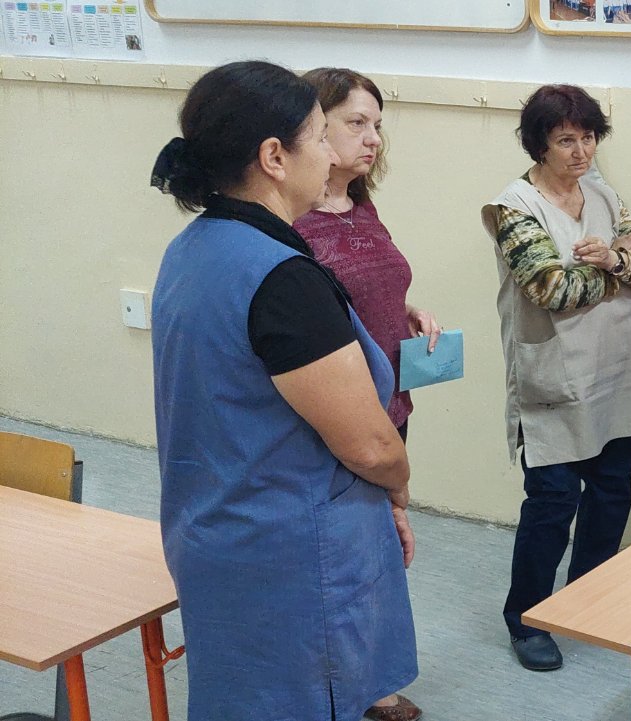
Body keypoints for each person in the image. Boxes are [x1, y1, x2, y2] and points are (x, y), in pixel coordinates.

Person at [149, 60, 418, 721]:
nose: (330, 155)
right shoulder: (283, 280)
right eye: (321, 137)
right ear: (275, 157)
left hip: (213, 530)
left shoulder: (191, 249)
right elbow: (369, 444)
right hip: (291, 553)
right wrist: (399, 482)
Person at [483, 84, 631, 673]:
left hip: (615, 370)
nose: (581, 151)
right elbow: (552, 289)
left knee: (612, 491)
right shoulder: (513, 207)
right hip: (553, 378)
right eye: (566, 140)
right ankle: (526, 618)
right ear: (538, 143)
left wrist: (614, 259)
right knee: (553, 502)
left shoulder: (604, 194)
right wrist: (618, 268)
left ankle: (588, 596)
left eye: (588, 137)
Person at [288, 66, 435, 721]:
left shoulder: (361, 204)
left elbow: (369, 288)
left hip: (389, 402)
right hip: (336, 411)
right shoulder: (290, 223)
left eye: (377, 124)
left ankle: (370, 678)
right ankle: (339, 685)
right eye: (356, 123)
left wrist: (407, 312)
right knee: (340, 556)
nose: (373, 137)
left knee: (379, 547)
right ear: (312, 128)